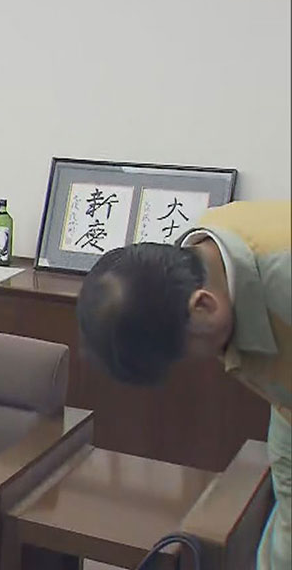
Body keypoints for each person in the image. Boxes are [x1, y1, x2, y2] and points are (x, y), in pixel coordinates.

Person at [77, 200, 290, 570]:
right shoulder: (204, 259)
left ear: (204, 306)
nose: (208, 361)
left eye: (186, 353)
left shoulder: (283, 275)